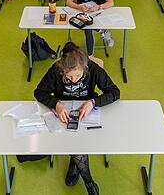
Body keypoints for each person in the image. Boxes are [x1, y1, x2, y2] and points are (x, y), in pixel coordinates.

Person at [34, 42, 120, 195]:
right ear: (62, 69)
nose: (74, 80)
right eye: (69, 76)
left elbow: (114, 92)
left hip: (87, 114)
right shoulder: (56, 70)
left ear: (85, 68)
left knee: (77, 144)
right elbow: (39, 92)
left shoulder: (92, 68)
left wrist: (93, 102)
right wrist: (56, 104)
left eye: (78, 76)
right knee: (70, 143)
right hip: (63, 115)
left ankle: (82, 173)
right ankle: (85, 176)